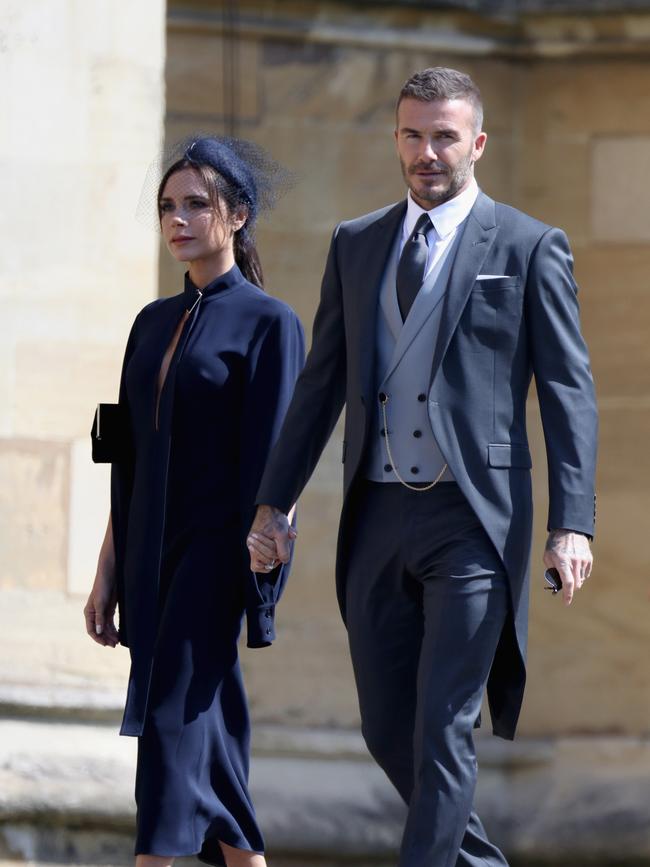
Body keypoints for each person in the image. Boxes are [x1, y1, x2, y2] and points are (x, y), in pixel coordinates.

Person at [247, 67, 597, 867]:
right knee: (386, 725)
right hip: (377, 513)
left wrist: (571, 522)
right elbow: (321, 383)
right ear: (396, 138)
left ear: (477, 142)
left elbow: (570, 393)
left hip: (474, 518)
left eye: (444, 136)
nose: (427, 152)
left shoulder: (529, 245)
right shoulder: (356, 242)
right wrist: (273, 502)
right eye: (413, 134)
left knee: (443, 723)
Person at [84, 135, 304, 867]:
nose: (177, 219)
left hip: (216, 556)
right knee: (209, 747)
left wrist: (269, 544)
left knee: (170, 718)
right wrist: (106, 568)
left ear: (236, 215)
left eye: (195, 205)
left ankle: (152, 857)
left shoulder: (271, 322)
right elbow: (125, 457)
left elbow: (281, 460)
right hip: (148, 557)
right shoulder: (149, 323)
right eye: (167, 206)